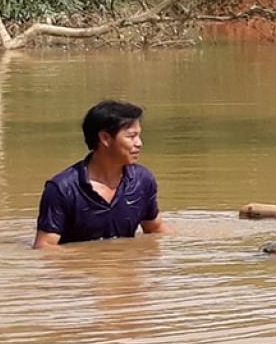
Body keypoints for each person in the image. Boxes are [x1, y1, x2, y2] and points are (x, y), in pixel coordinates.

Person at [34, 100, 173, 249]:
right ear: (105, 138)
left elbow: (155, 228)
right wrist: (99, 262)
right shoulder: (62, 188)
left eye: (139, 136)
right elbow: (45, 247)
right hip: (82, 272)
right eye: (131, 136)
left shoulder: (142, 180)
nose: (139, 143)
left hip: (129, 269)